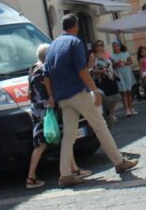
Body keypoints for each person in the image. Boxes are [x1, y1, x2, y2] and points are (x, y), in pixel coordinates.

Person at [44, 15, 138, 187]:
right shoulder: (75, 42)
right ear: (76, 26)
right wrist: (94, 90)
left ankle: (65, 174)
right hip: (78, 92)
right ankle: (118, 161)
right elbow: (81, 70)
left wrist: (51, 96)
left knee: (68, 135)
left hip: (62, 97)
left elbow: (46, 76)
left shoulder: (52, 46)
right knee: (100, 125)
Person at [25, 44, 89, 189]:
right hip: (47, 110)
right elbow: (51, 88)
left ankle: (74, 169)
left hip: (37, 109)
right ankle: (31, 177)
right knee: (47, 142)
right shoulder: (44, 70)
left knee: (46, 142)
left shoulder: (32, 69)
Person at [89, 40, 121, 122]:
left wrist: (114, 73)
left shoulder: (106, 54)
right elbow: (90, 70)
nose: (101, 46)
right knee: (106, 99)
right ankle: (108, 116)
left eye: (102, 45)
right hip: (101, 79)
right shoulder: (93, 56)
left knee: (115, 97)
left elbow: (110, 65)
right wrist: (100, 71)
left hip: (110, 77)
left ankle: (110, 113)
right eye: (99, 45)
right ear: (95, 47)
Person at [111, 40, 137, 116]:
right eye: (114, 46)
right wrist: (116, 64)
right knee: (123, 92)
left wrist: (125, 63)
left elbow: (131, 62)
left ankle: (131, 108)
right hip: (119, 74)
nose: (115, 47)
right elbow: (111, 66)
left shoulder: (125, 53)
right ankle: (127, 110)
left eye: (116, 45)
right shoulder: (112, 56)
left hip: (126, 72)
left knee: (129, 91)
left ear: (119, 46)